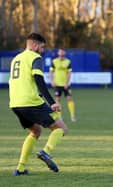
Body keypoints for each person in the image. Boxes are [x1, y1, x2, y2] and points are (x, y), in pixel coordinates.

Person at [9, 33, 68, 176]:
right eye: (41, 47)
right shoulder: (36, 58)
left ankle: (20, 168)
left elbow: (22, 82)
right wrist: (52, 102)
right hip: (30, 102)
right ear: (35, 45)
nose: (42, 50)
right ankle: (46, 152)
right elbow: (38, 80)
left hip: (15, 103)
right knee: (61, 128)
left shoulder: (16, 58)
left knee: (35, 131)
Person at [49, 48, 76, 122]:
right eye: (60, 52)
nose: (61, 54)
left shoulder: (68, 62)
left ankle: (72, 116)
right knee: (57, 100)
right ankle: (59, 116)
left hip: (65, 85)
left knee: (69, 98)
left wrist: (67, 83)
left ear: (64, 53)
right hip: (57, 84)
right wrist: (52, 81)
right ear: (58, 53)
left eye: (62, 53)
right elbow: (51, 72)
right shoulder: (54, 61)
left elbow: (69, 73)